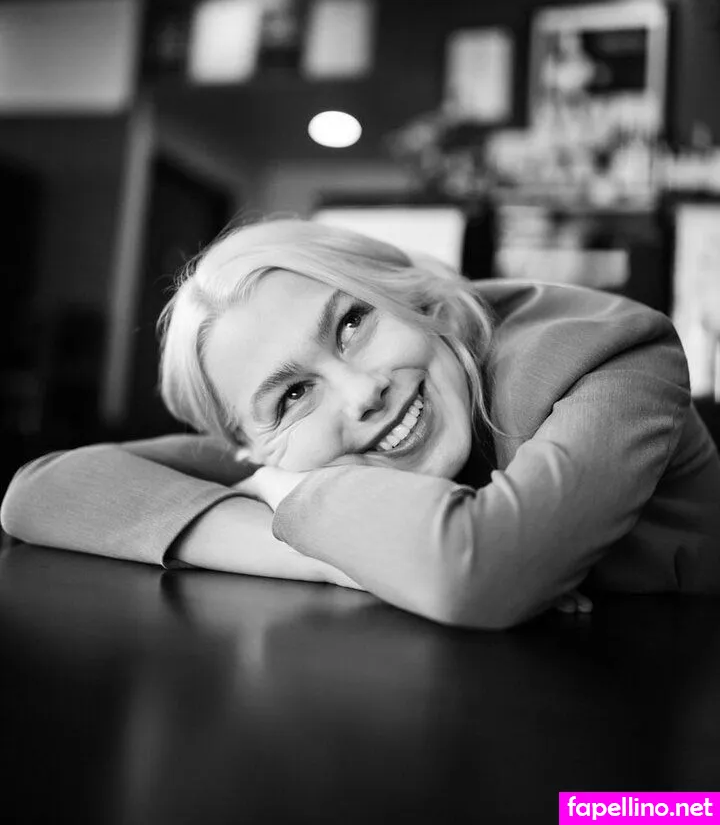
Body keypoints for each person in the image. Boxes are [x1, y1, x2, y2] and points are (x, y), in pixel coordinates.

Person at [2, 215, 720, 630]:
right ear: (253, 448)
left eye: (352, 323)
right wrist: (331, 558)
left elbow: (481, 573)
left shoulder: (605, 352)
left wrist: (288, 500)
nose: (362, 394)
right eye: (292, 396)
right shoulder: (284, 456)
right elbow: (40, 492)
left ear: (417, 298)